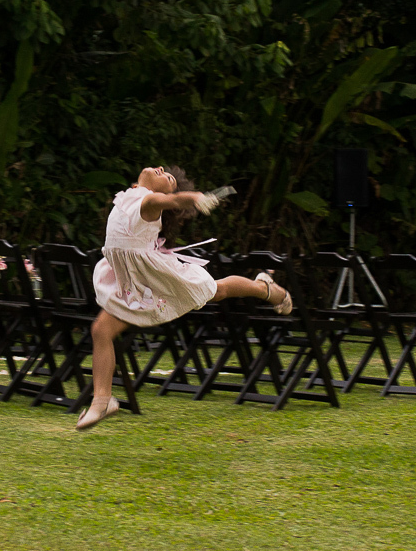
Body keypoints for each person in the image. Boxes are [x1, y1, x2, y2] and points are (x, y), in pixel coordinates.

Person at [76, 165, 291, 430]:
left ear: (162, 193)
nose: (162, 169)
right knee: (101, 330)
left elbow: (175, 200)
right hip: (134, 281)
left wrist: (196, 198)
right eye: (164, 171)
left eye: (168, 178)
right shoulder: (129, 196)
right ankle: (102, 401)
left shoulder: (150, 201)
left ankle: (263, 287)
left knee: (217, 290)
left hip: (155, 277)